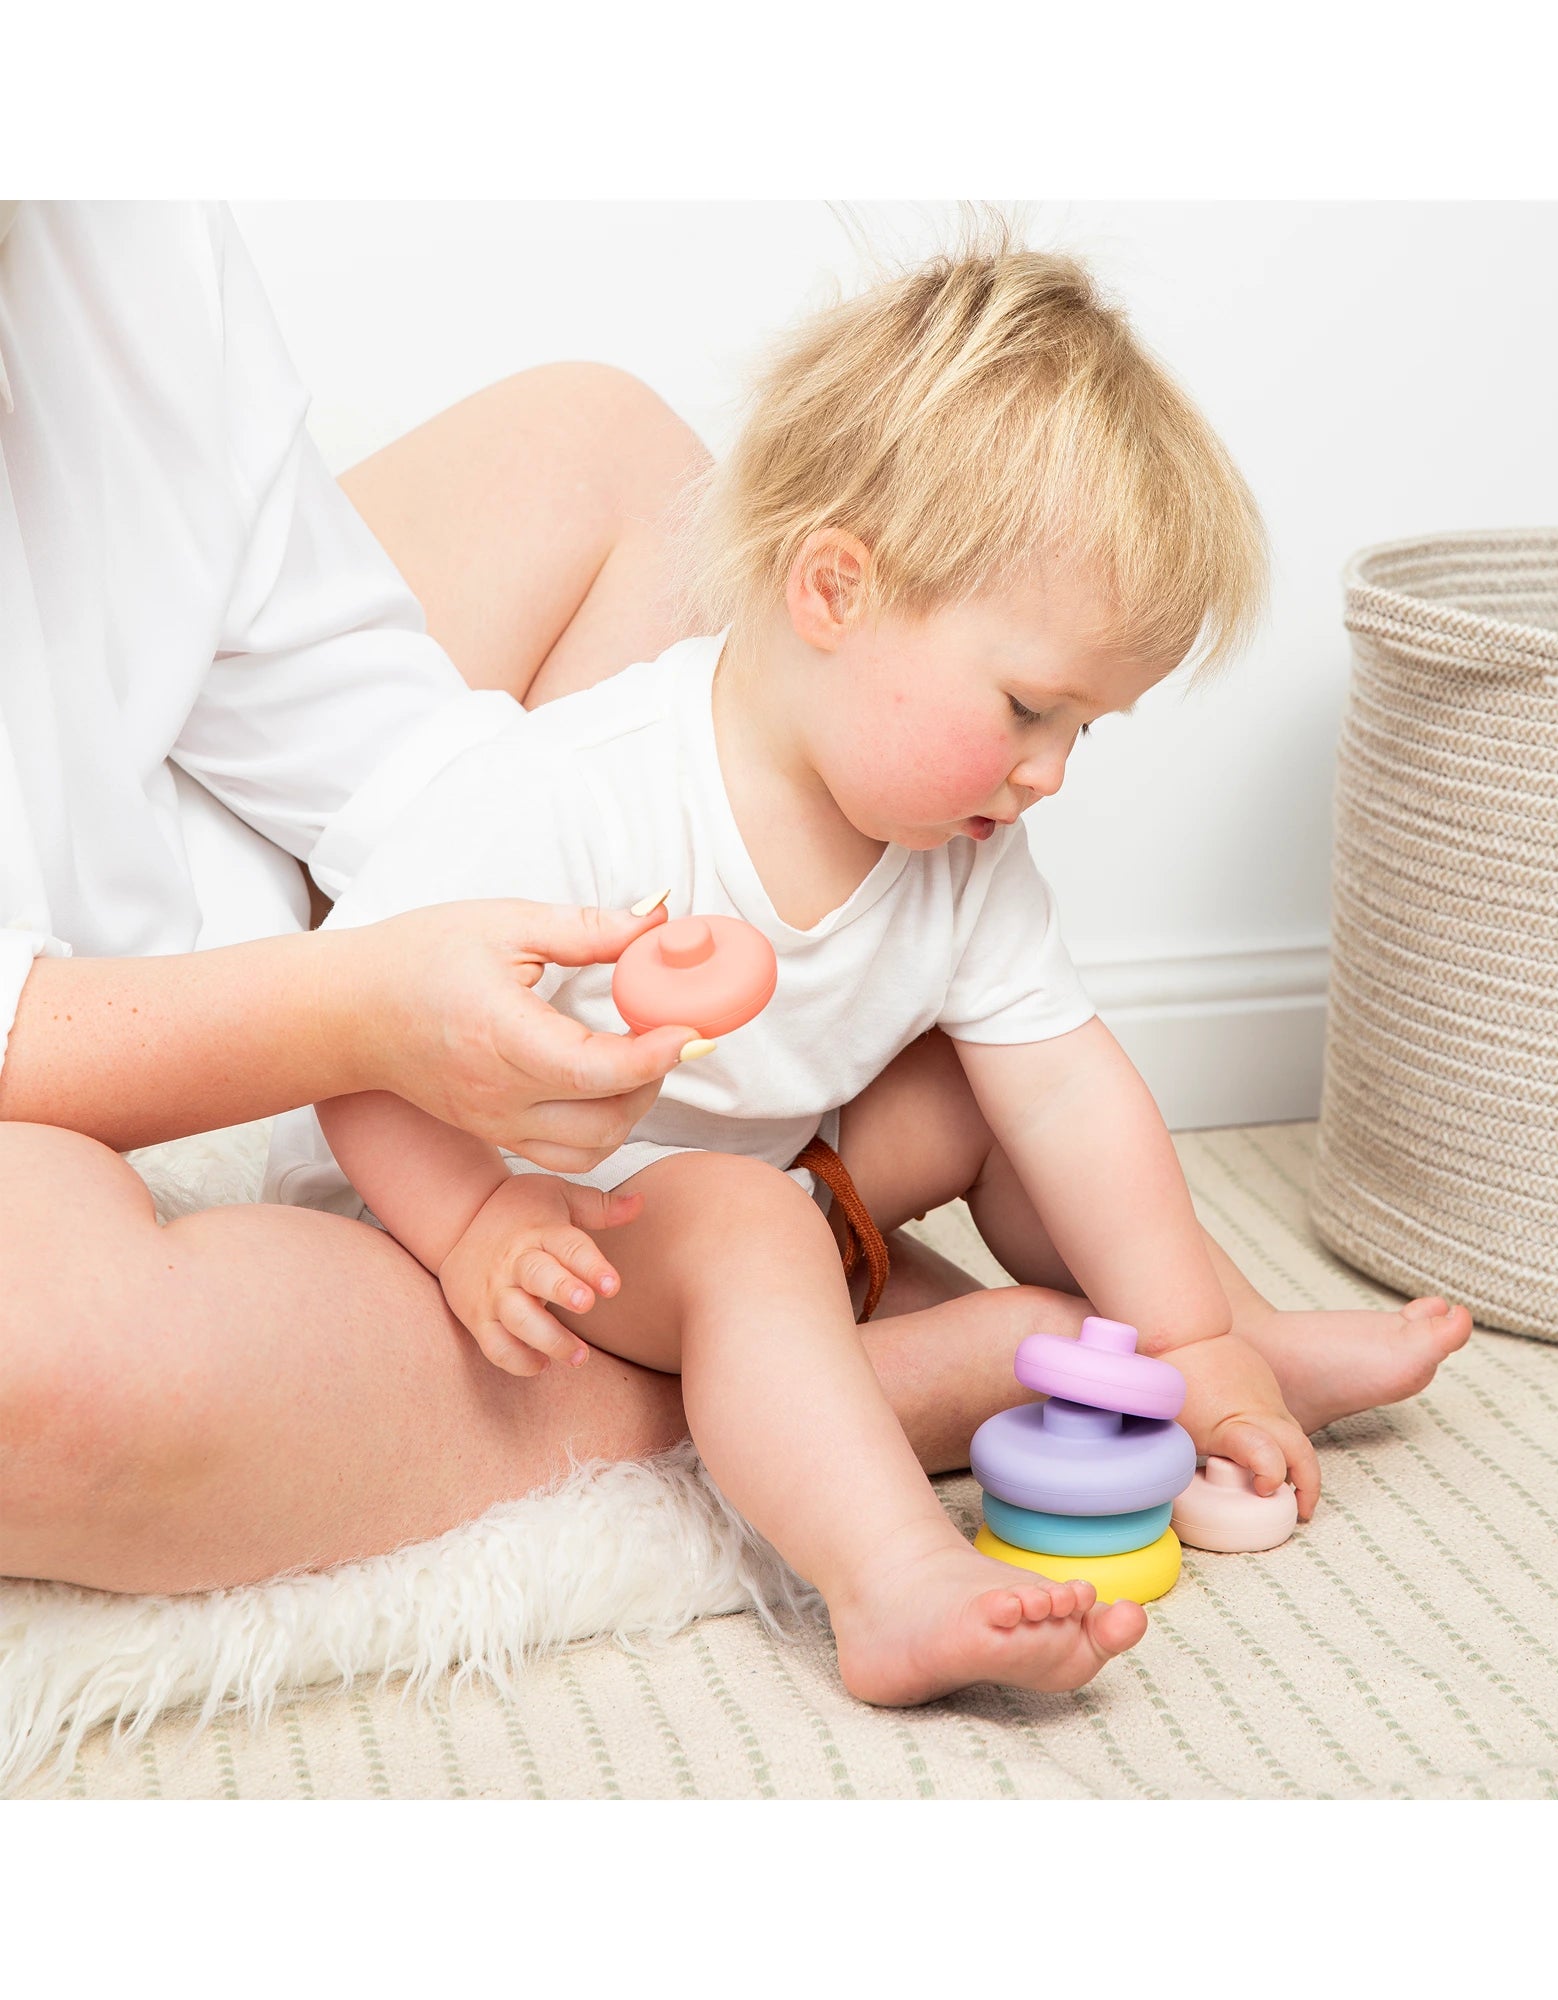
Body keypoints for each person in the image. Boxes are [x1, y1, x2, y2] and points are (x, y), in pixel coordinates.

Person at [264, 242, 1474, 1705]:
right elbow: (348, 1037)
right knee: (739, 1229)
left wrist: (1197, 1336)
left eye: (1086, 730)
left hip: (755, 1168)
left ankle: (1221, 1343)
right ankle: (889, 1576)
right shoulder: (579, 789)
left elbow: (1074, 1099)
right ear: (835, 588)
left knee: (1001, 1087)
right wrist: (471, 1226)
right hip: (491, 1205)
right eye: (1031, 708)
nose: (1050, 774)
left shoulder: (956, 851)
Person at [0, 202, 1134, 1597]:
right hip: (53, 1079)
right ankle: (776, 1394)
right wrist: (361, 1012)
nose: (1050, 773)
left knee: (607, 457)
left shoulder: (108, 215)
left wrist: (552, 845)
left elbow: (293, 658)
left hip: (177, 853)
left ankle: (759, 1274)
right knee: (32, 1357)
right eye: (1032, 713)